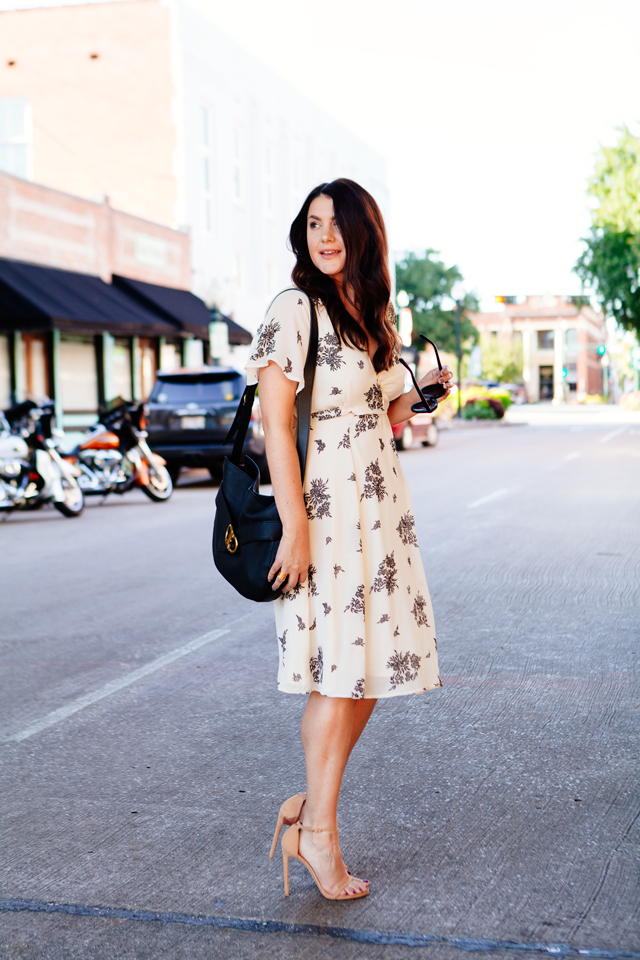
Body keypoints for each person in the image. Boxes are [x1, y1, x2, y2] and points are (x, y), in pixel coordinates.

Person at [245, 179, 452, 902]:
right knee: (340, 670)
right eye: (313, 223)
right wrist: (296, 527)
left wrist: (420, 394)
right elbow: (277, 423)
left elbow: (380, 415)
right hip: (327, 509)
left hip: (380, 507)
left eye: (336, 223)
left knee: (368, 671)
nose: (324, 235)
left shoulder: (370, 314)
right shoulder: (293, 308)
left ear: (365, 233)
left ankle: (310, 818)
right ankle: (319, 834)